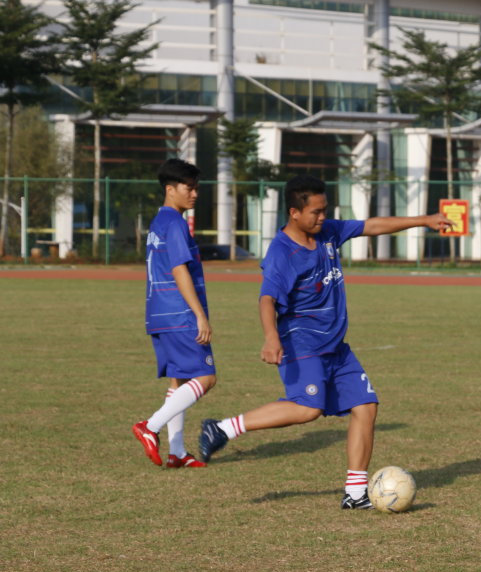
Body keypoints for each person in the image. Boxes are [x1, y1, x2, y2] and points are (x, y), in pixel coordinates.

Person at [197, 174, 453, 509]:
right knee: (308, 408)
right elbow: (267, 299)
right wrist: (271, 337)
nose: (322, 217)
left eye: (325, 210)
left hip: (336, 347)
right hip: (301, 344)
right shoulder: (282, 253)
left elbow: (372, 225)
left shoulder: (328, 232)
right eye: (315, 212)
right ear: (294, 213)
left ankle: (355, 494)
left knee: (366, 406)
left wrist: (424, 220)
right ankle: (222, 428)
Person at [132, 158, 216, 468]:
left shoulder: (159, 221)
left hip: (159, 313)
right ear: (170, 189)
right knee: (206, 377)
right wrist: (200, 315)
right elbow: (179, 269)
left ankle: (177, 452)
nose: (195, 194)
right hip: (180, 314)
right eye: (189, 188)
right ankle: (150, 427)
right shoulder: (176, 223)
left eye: (196, 188)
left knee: (179, 380)